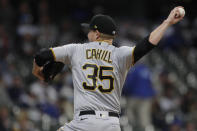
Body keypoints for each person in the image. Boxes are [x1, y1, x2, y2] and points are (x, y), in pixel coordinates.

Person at [32, 6, 185, 131]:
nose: (88, 33)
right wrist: (167, 22)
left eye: (90, 31)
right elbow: (146, 45)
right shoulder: (121, 54)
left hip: (83, 123)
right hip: (111, 124)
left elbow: (41, 56)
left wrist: (38, 72)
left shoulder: (75, 50)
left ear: (97, 34)